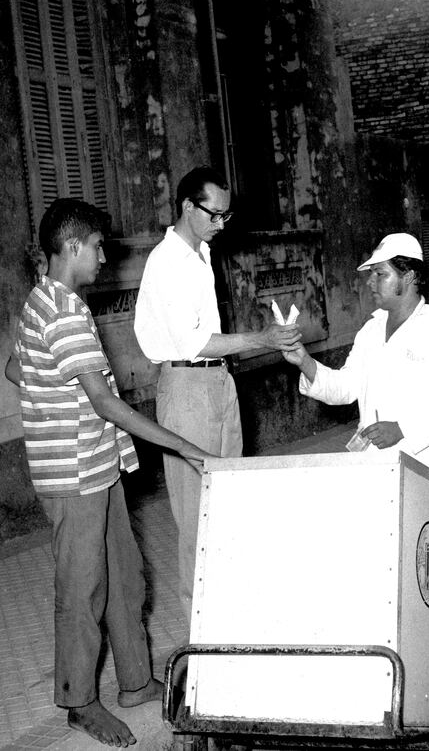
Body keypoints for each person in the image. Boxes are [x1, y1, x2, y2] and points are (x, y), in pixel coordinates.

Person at [5, 198, 216, 747]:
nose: (104, 257)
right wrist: (186, 447)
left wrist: (50, 405)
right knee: (81, 591)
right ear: (72, 246)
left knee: (126, 580)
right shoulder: (65, 312)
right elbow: (105, 403)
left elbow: (15, 367)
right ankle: (78, 702)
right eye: (98, 246)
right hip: (74, 476)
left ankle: (136, 682)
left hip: (96, 466)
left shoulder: (41, 301)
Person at [133, 166, 301, 628]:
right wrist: (263, 339)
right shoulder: (167, 262)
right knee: (197, 521)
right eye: (215, 215)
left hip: (218, 383)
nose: (222, 224)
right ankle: (201, 636)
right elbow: (193, 343)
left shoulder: (201, 254)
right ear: (188, 206)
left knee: (228, 505)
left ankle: (231, 618)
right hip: (187, 390)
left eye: (227, 216)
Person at [283, 232, 429, 484]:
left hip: (428, 470)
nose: (370, 282)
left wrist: (403, 430)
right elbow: (346, 387)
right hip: (376, 467)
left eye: (380, 274)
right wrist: (304, 360)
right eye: (371, 274)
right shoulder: (371, 330)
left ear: (409, 277)